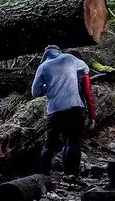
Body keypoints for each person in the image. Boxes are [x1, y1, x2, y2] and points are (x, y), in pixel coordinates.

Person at [30, 44, 95, 174]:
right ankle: (70, 176)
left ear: (45, 54)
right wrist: (75, 77)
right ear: (58, 51)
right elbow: (86, 69)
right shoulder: (69, 59)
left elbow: (35, 92)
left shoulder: (42, 67)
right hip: (75, 107)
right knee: (72, 142)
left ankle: (44, 174)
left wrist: (47, 87)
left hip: (54, 111)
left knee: (50, 145)